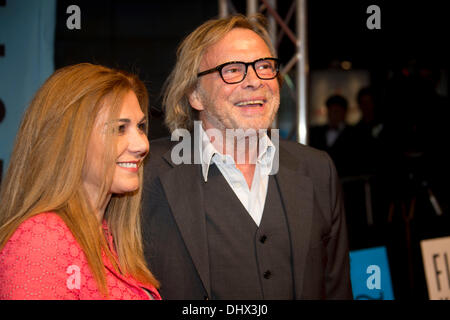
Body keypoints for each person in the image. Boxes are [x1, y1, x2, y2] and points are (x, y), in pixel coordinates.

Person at [142, 14, 352, 300]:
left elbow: (336, 289)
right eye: (232, 70)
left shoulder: (317, 170)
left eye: (265, 66)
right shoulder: (145, 173)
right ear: (195, 95)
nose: (255, 81)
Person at [0, 63, 161, 300]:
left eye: (140, 127)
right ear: (69, 140)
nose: (142, 145)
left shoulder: (107, 236)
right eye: (119, 129)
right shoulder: (42, 238)